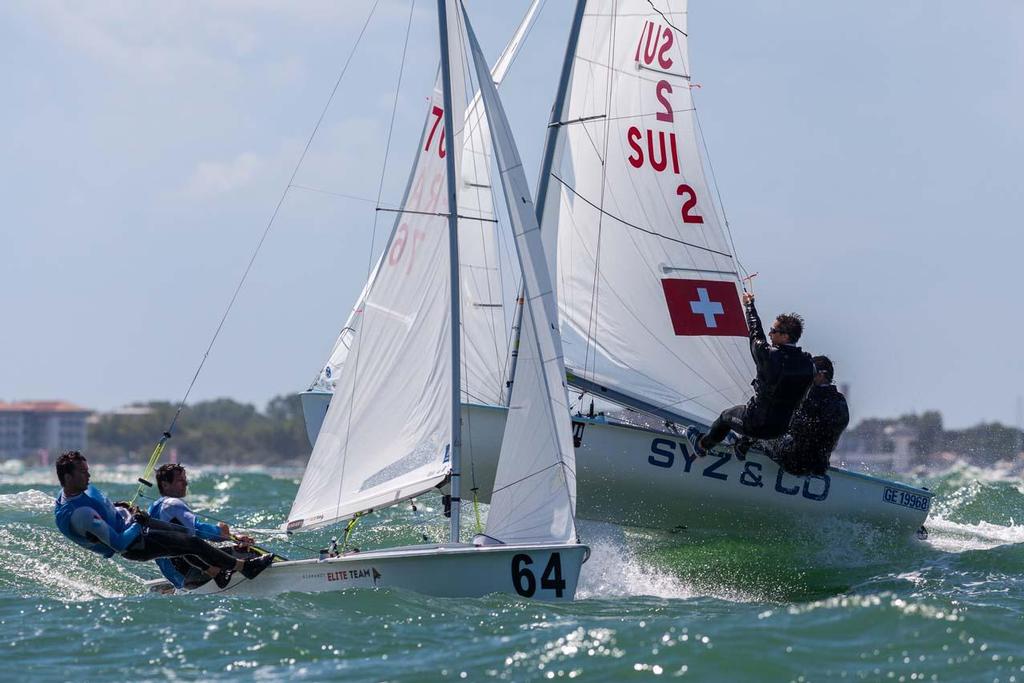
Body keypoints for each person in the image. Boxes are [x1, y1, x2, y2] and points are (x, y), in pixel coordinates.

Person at [53, 451, 273, 586]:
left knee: (183, 537)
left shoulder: (71, 494)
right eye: (83, 472)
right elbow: (119, 543)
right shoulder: (80, 515)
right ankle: (245, 567)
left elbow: (103, 512)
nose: (88, 475)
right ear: (67, 477)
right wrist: (138, 521)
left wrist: (121, 508)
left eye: (87, 470)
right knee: (193, 542)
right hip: (136, 545)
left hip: (138, 528)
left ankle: (217, 573)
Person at [686, 292, 815, 456]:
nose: (769, 334)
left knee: (726, 417)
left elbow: (755, 333)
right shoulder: (809, 366)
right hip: (780, 429)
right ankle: (741, 447)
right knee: (766, 411)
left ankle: (702, 445)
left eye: (773, 330)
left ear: (785, 336)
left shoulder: (769, 355)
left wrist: (749, 305)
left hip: (755, 425)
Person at [148, 463, 257, 590]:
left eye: (185, 479)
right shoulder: (173, 504)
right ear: (165, 484)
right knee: (247, 552)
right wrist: (224, 534)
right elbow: (197, 530)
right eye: (180, 480)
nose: (186, 484)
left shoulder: (153, 508)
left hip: (176, 578)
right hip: (192, 572)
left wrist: (231, 536)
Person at [763, 355, 850, 475]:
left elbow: (794, 426)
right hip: (820, 466)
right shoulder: (840, 401)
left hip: (794, 463)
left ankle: (742, 446)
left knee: (761, 434)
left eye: (810, 372)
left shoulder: (810, 398)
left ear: (821, 375)